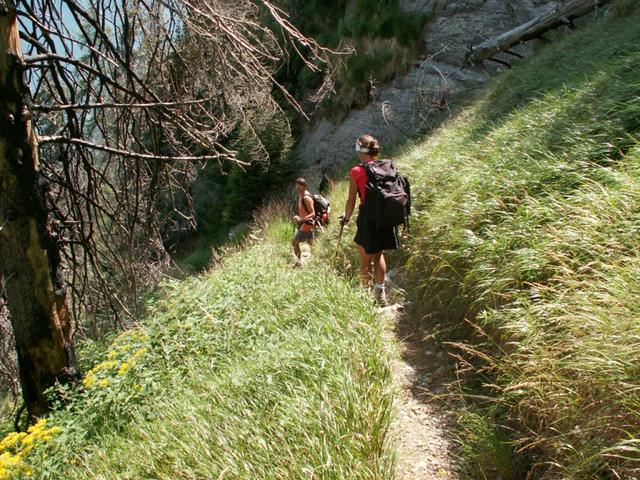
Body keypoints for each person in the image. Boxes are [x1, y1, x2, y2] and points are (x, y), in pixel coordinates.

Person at [341, 135, 399, 305]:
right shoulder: (386, 166)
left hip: (368, 217)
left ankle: (365, 294)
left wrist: (346, 218)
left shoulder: (356, 171)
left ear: (360, 149)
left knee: (364, 256)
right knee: (378, 254)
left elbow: (351, 199)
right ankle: (380, 293)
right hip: (385, 216)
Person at [291, 178, 316, 265]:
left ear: (305, 186)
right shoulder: (300, 196)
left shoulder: (306, 198)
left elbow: (313, 213)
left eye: (300, 185)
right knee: (311, 243)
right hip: (308, 224)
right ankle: (317, 260)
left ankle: (299, 262)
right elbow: (303, 211)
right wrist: (297, 217)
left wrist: (302, 220)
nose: (298, 187)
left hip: (306, 225)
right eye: (297, 185)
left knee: (294, 243)